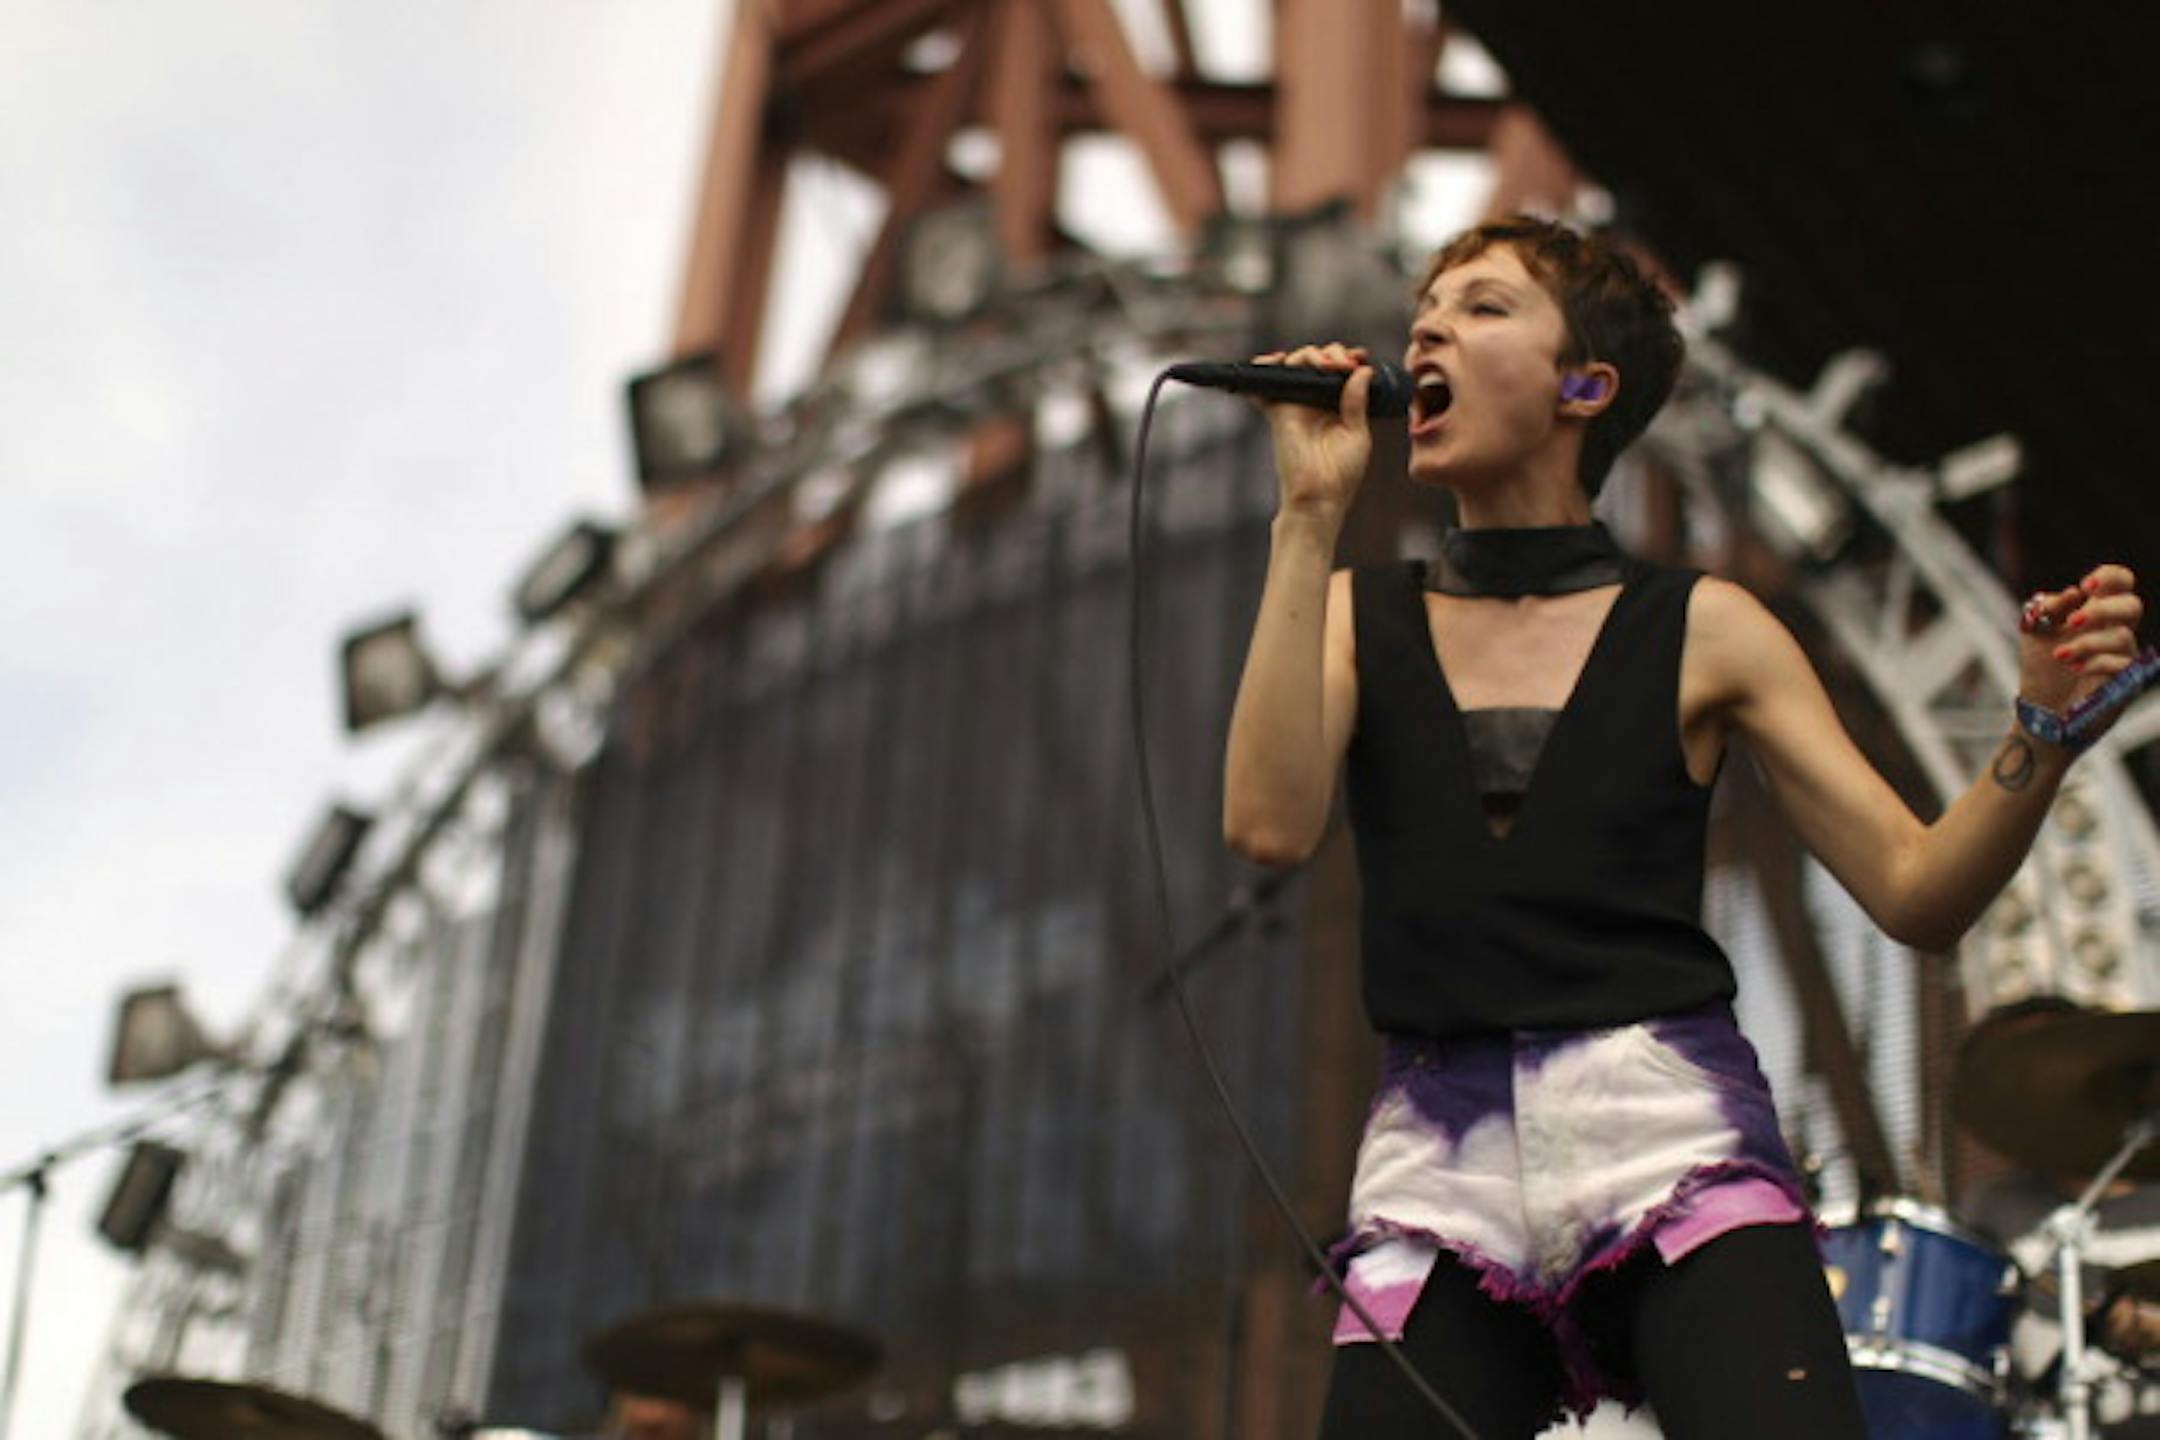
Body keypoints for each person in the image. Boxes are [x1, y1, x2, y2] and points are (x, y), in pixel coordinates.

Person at [1220, 215, 2148, 1439]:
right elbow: (1267, 823)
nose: (1429, 327)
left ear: (1584, 387)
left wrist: (2043, 731)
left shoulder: (1704, 627)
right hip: (1437, 1162)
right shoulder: (1354, 616)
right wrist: (1306, 516)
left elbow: (1918, 891)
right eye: (1423, 312)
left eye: (1484, 306)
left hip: (1670, 1133)